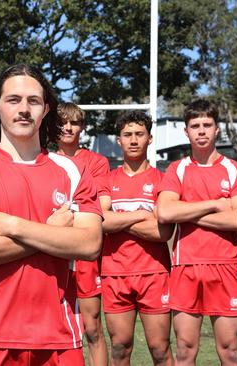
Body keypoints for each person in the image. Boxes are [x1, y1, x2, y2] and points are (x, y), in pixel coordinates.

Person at [0, 64, 103, 365]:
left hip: (59, 334)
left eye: (33, 101)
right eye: (13, 100)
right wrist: (52, 231)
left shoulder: (73, 170)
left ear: (46, 109)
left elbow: (89, 244)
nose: (24, 109)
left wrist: (11, 225)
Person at [156, 99, 237, 366]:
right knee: (185, 350)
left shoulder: (236, 171)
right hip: (186, 266)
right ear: (186, 131)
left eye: (207, 124)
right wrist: (215, 204)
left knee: (230, 350)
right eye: (194, 125)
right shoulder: (177, 169)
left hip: (226, 266)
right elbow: (165, 213)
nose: (201, 130)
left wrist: (188, 212)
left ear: (217, 129)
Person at [98, 111, 174, 366]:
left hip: (154, 273)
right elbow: (101, 221)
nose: (133, 140)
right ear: (118, 140)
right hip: (114, 272)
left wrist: (119, 219)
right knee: (119, 348)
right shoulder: (106, 180)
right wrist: (142, 214)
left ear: (149, 139)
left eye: (139, 134)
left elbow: (162, 232)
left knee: (160, 349)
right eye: (127, 135)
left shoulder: (162, 180)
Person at [55, 102, 109, 366]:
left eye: (74, 123)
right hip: (52, 253)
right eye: (63, 122)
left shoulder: (96, 162)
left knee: (92, 328)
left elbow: (100, 207)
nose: (68, 127)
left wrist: (61, 216)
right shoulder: (43, 159)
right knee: (53, 328)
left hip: (85, 258)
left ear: (81, 127)